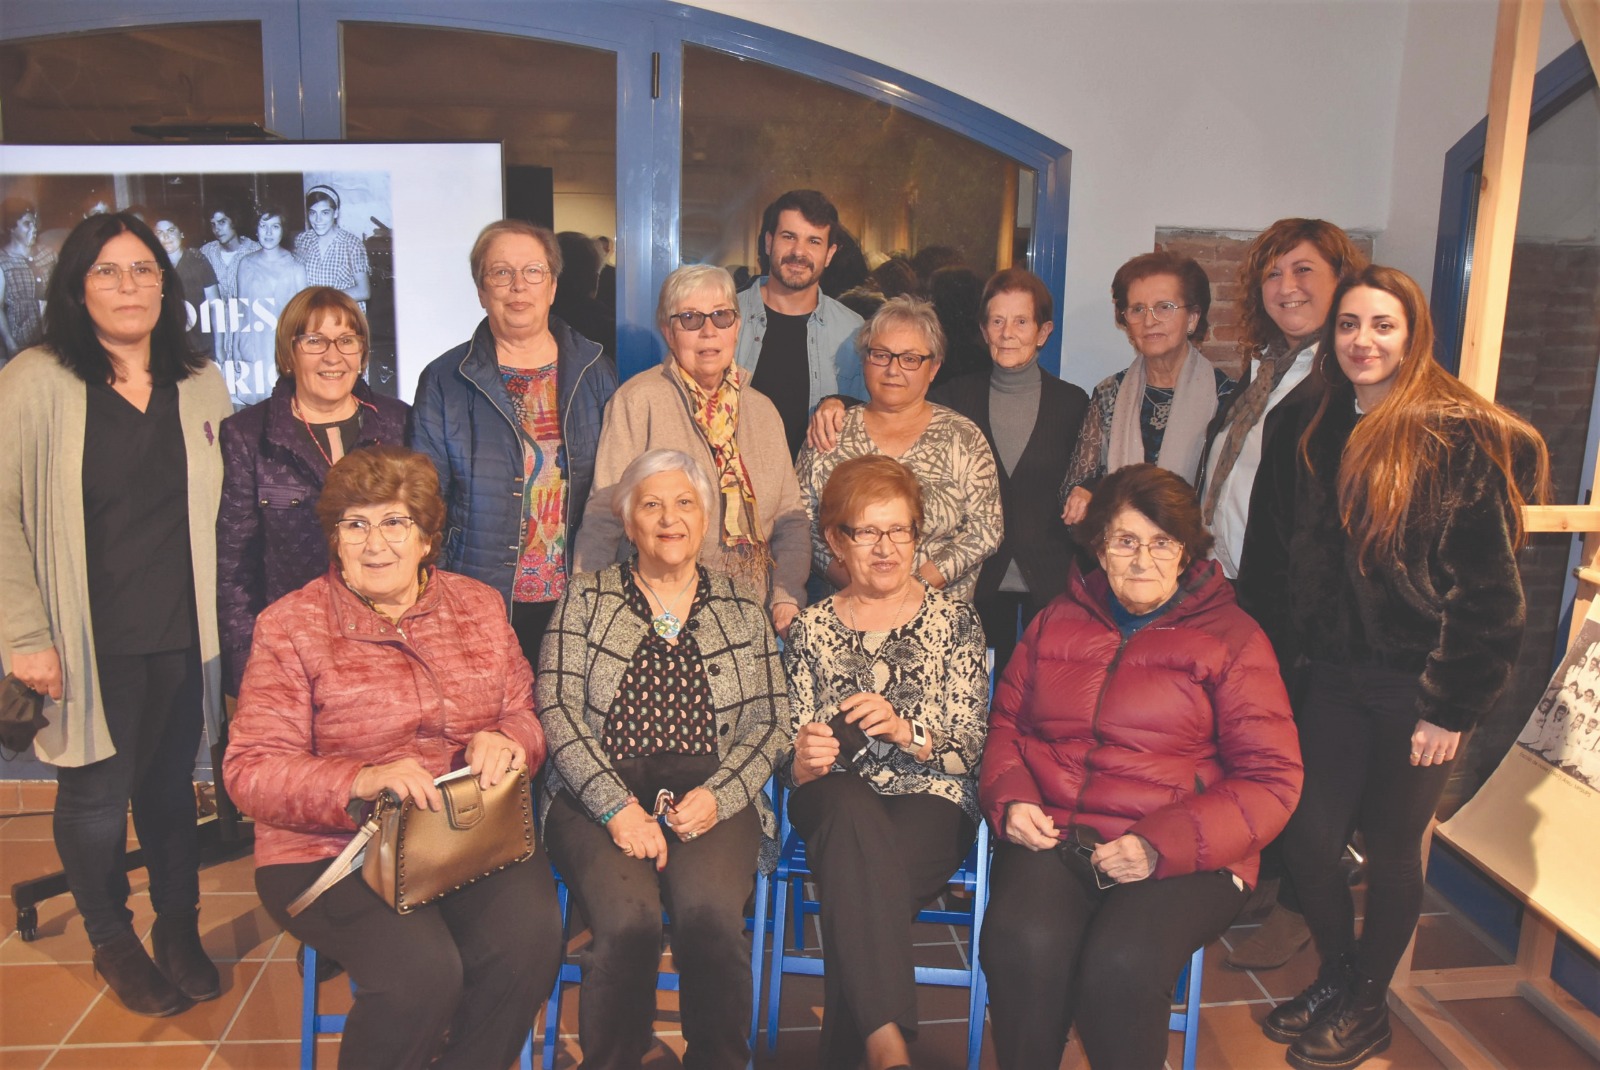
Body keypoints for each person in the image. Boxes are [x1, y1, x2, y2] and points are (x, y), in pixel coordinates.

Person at [1242, 266, 1549, 1070]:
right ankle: (1341, 976)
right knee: (1307, 837)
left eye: (1382, 326)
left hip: (1417, 684)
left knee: (1391, 844)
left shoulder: (1450, 436)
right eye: (1349, 325)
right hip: (1328, 678)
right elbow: (1275, 562)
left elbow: (1490, 594)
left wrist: (1449, 708)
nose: (1362, 341)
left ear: (1411, 337)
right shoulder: (1309, 422)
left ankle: (1368, 1003)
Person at [224, 446, 561, 1070]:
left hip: (464, 834)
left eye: (395, 522)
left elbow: (528, 711)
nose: (375, 543)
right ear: (335, 537)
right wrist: (361, 777)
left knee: (532, 946)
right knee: (423, 978)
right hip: (332, 851)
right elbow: (250, 769)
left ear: (427, 538)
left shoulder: (479, 607)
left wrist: (509, 738)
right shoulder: (292, 625)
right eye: (356, 523)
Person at [979, 462, 1303, 1070]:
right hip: (1059, 837)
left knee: (1120, 967)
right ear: (1099, 545)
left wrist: (1160, 844)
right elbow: (1006, 728)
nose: (1143, 559)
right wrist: (1013, 798)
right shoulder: (1056, 621)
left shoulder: (1233, 639)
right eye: (1126, 541)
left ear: (1187, 552)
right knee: (1021, 942)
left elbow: (1272, 780)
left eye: (1162, 543)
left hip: (1185, 854)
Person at [0, 212, 234, 1016]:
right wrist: (25, 637)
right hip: (84, 638)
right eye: (107, 271)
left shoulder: (199, 378)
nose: (128, 286)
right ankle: (112, 938)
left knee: (172, 791)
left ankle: (178, 928)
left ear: (165, 287)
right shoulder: (36, 378)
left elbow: (222, 511)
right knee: (96, 802)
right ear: (76, 285)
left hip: (181, 633)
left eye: (143, 271)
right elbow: (1, 516)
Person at [538, 448, 786, 1069]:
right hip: (600, 794)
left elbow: (772, 720)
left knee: (709, 920)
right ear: (628, 523)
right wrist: (615, 808)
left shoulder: (740, 606)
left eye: (684, 503)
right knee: (627, 924)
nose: (668, 518)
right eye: (651, 505)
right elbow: (557, 708)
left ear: (705, 519)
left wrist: (721, 796)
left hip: (711, 793)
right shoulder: (587, 598)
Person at [781, 454, 989, 1070]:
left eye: (899, 530)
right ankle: (888, 1044)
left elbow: (970, 748)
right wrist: (803, 757)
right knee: (847, 807)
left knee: (861, 885)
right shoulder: (813, 628)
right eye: (865, 532)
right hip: (834, 794)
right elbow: (786, 746)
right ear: (834, 542)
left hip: (930, 797)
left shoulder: (955, 621)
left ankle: (876, 1047)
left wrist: (906, 729)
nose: (885, 547)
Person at [1201, 218, 1368, 972]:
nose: (1286, 287)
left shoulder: (1344, 375)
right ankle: (1263, 882)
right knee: (1250, 747)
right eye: (1272, 274)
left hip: (1298, 609)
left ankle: (1302, 903)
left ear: (1341, 278)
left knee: (1294, 757)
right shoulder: (1273, 364)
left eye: (1304, 271)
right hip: (1236, 585)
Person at [413, 220, 618, 665]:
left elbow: (613, 490)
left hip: (577, 598)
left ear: (553, 285)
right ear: (481, 289)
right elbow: (423, 502)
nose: (517, 286)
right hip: (476, 598)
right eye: (501, 273)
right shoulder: (445, 380)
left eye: (532, 272)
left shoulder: (595, 370)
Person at [574, 264, 808, 637]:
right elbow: (606, 512)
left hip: (750, 614)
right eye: (690, 318)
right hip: (658, 614)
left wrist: (787, 593)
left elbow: (791, 520)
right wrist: (588, 605)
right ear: (668, 332)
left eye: (721, 315)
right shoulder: (637, 401)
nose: (708, 330)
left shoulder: (763, 411)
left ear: (737, 326)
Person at [216, 286, 411, 698]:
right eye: (314, 340)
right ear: (289, 353)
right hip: (292, 652)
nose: (332, 355)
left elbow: (423, 539)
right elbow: (235, 568)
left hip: (387, 643)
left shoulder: (399, 424)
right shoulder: (248, 435)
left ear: (362, 351)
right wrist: (248, 672)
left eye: (346, 340)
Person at [931, 267, 1089, 671]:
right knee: (978, 701)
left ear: (1043, 331)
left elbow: (1092, 474)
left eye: (1021, 321)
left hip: (1050, 582)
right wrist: (835, 403)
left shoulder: (1072, 403)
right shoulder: (953, 398)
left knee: (1043, 697)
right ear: (984, 331)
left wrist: (1091, 489)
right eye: (997, 321)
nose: (1007, 333)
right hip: (973, 581)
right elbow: (893, 406)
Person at [796, 296, 1002, 602]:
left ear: (933, 368)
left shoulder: (963, 437)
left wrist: (912, 589)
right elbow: (802, 524)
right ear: (865, 360)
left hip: (937, 619)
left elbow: (985, 530)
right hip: (846, 614)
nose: (893, 369)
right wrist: (860, 588)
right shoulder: (829, 431)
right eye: (881, 355)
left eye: (909, 359)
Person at [1060, 251, 1233, 524]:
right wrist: (1086, 493)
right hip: (1121, 551)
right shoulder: (1109, 393)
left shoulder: (1227, 398)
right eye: (1138, 309)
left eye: (1164, 307)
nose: (1149, 321)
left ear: (1192, 318)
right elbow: (1079, 484)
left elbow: (1230, 499)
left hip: (1198, 555)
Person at [735, 190, 866, 456]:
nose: (799, 252)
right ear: (769, 242)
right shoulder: (725, 317)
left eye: (814, 241)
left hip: (818, 492)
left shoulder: (853, 331)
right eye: (789, 236)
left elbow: (868, 414)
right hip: (734, 489)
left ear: (829, 254)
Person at [232, 206, 308, 405]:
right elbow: (241, 310)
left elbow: (303, 317)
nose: (268, 232)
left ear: (283, 230)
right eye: (263, 226)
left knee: (284, 408)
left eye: (274, 226)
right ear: (255, 230)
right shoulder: (245, 264)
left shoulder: (296, 266)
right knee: (254, 411)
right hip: (253, 346)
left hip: (282, 348)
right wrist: (235, 350)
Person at [198, 202, 261, 364]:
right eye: (213, 224)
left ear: (234, 221)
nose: (217, 229)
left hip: (247, 334)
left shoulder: (255, 250)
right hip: (216, 337)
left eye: (222, 222)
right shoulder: (206, 252)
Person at [153, 217, 220, 361]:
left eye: (171, 230)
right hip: (167, 350)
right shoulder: (151, 267)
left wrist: (219, 346)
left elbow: (216, 306)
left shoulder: (198, 261)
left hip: (200, 346)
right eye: (159, 232)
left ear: (181, 233)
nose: (166, 237)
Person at [293, 185, 371, 303]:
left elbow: (364, 291)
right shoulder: (303, 240)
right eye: (313, 213)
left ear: (335, 213)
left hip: (342, 314)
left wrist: (323, 297)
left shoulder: (352, 244)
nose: (318, 220)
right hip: (312, 313)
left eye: (325, 213)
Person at [0, 197, 55, 364]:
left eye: (35, 223)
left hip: (53, 340)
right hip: (22, 345)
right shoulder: (3, 262)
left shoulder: (49, 254)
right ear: (11, 227)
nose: (34, 228)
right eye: (27, 224)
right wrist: (11, 344)